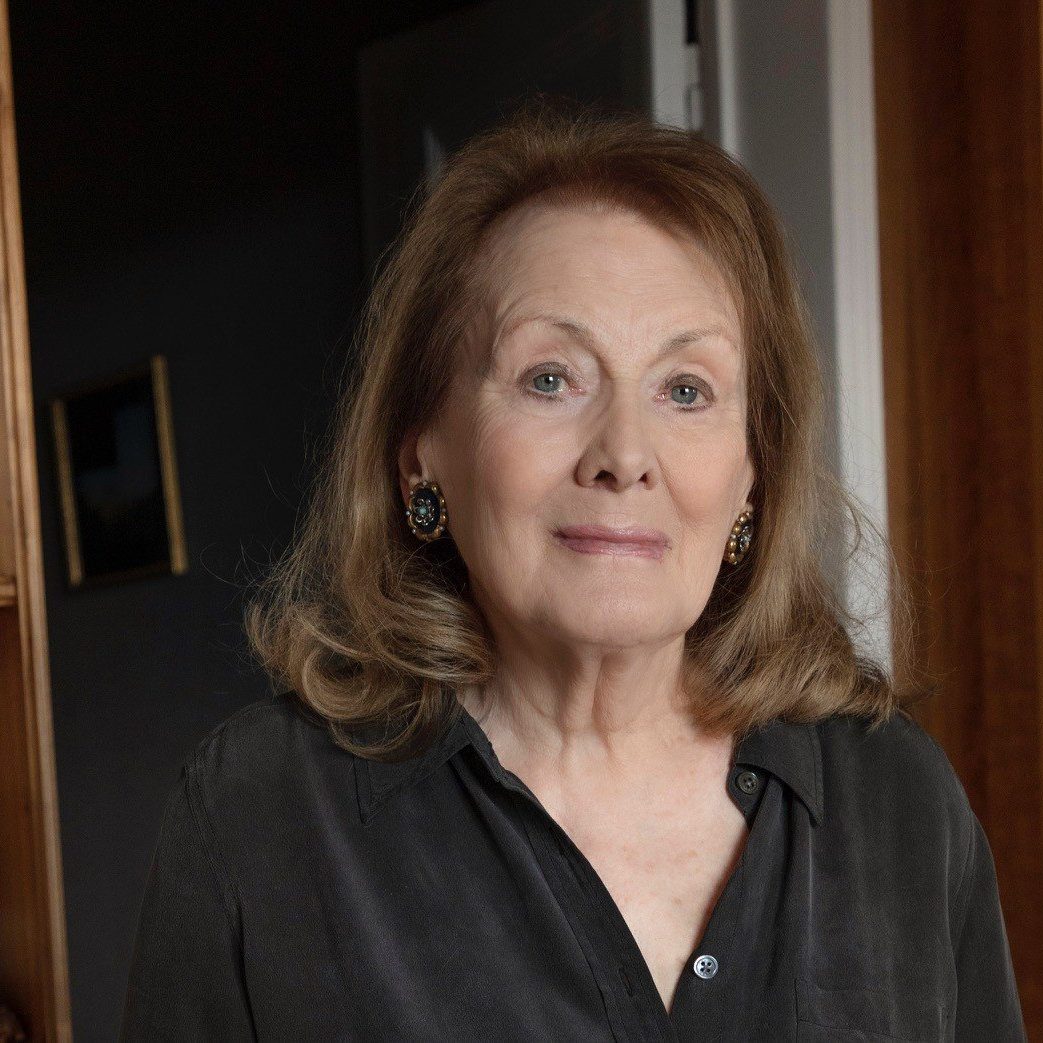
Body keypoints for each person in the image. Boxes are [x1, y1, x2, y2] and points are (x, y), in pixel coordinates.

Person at [119, 98, 1027, 1041]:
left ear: (751, 473)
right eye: (549, 378)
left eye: (685, 389)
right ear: (422, 452)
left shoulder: (898, 802)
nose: (623, 454)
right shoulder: (258, 813)